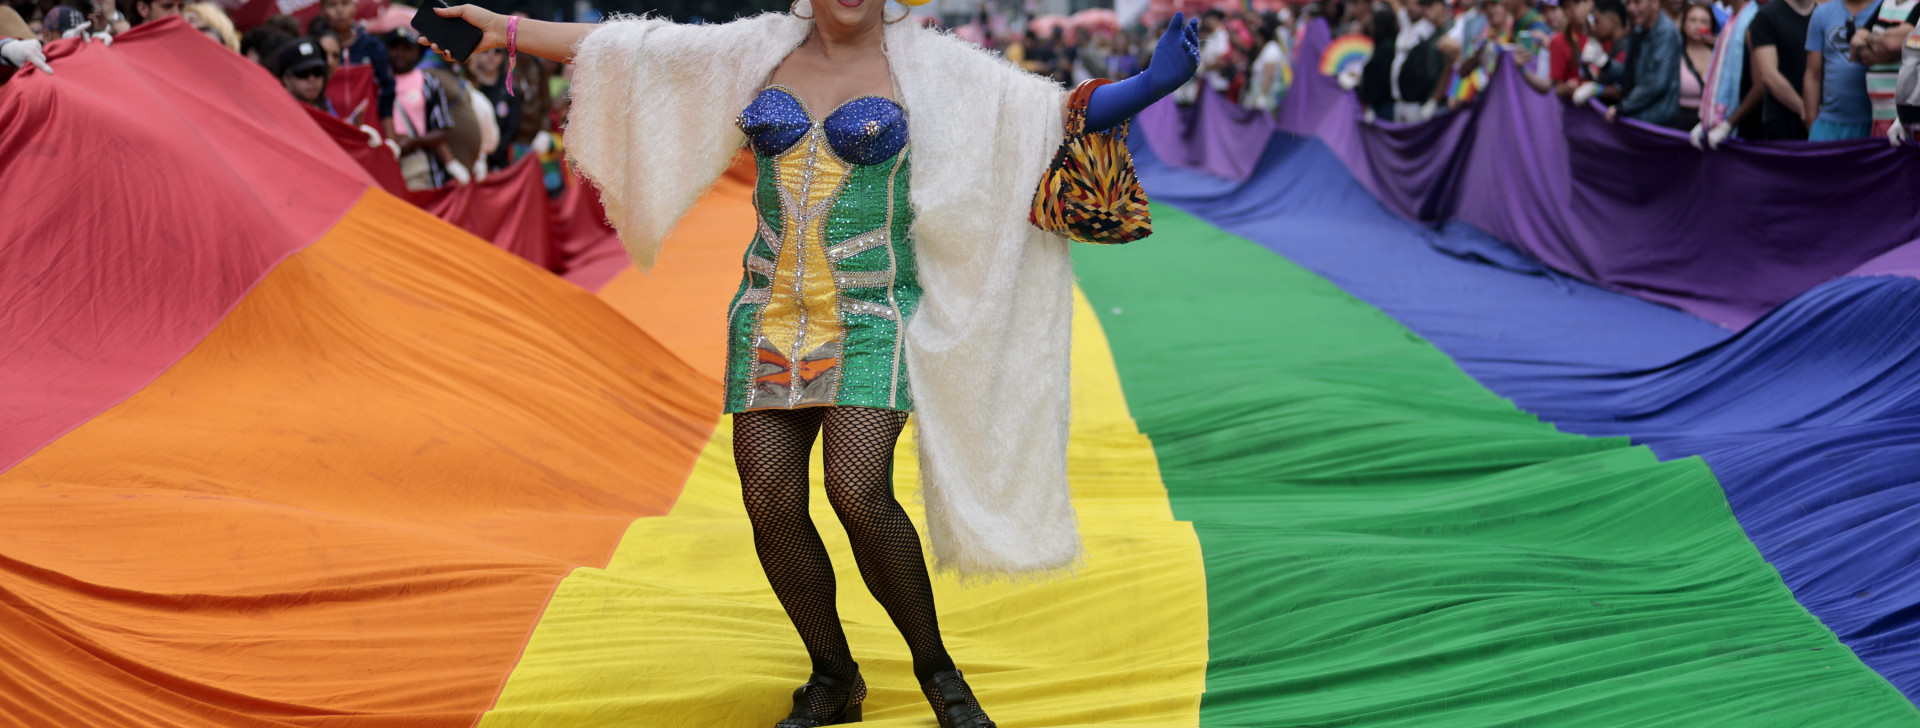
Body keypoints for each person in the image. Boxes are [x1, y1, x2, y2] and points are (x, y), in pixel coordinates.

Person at [417, 2, 1198, 726]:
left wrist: (1149, 85)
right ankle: (834, 676)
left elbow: (1039, 115)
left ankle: (940, 676)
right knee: (769, 499)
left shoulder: (931, 68)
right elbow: (629, 49)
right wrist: (500, 28)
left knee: (856, 489)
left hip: (873, 312)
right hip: (767, 313)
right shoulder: (757, 49)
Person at [387, 27, 465, 189]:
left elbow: (442, 130)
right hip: (384, 163)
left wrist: (413, 141)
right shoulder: (377, 81)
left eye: (405, 49)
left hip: (417, 163)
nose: (400, 54)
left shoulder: (428, 83)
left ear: (416, 52)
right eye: (395, 48)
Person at [1802, 0, 1879, 139]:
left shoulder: (1886, 9)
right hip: (1828, 125)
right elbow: (1812, 75)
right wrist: (1812, 124)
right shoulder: (1822, 13)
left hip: (1875, 125)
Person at [319, 0, 394, 142]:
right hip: (329, 133)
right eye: (332, 5)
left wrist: (391, 141)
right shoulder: (315, 47)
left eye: (345, 3)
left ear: (354, 7)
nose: (339, 10)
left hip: (370, 133)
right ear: (322, 11)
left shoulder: (373, 46)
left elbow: (387, 94)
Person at [1692, 0, 1763, 146]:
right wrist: (1707, 120)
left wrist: (1728, 125)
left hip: (1747, 132)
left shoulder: (1753, 21)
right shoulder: (1732, 20)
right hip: (1727, 125)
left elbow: (1761, 86)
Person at [1602, 0, 1682, 124]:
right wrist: (1605, 64)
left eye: (1637, 2)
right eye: (1628, 3)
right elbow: (1630, 74)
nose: (1631, 8)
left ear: (1655, 3)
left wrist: (1623, 107)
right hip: (1637, 116)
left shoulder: (1666, 33)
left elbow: (1656, 83)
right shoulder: (1638, 31)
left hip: (1656, 122)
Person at [1748, 0, 1814, 138]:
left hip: (1821, 118)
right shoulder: (1766, 16)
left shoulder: (1822, 15)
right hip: (1782, 121)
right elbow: (1769, 75)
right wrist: (1805, 110)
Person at [1854, 0, 1918, 135]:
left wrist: (1870, 40)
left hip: (1905, 118)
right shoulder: (1885, 3)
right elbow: (1854, 44)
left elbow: (1890, 44)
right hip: (1878, 116)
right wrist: (1886, 51)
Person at [464, 46, 519, 173]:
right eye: (485, 51)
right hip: (471, 159)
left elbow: (512, 126)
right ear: (476, 55)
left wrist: (492, 153)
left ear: (503, 56)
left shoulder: (510, 89)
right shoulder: (467, 87)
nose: (491, 55)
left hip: (500, 162)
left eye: (497, 52)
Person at [1396, 0, 1452, 118]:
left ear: (1442, 6)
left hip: (1442, 104)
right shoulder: (1432, 31)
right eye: (1423, 6)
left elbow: (1449, 68)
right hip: (1424, 100)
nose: (1426, 10)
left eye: (1430, 5)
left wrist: (1434, 100)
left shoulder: (1451, 30)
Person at [1676, 2, 1717, 128]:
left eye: (1704, 21)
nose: (1698, 25)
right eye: (1692, 20)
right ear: (1683, 24)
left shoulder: (1718, 55)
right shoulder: (1675, 54)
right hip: (1679, 121)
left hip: (1711, 122)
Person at [1550, 0, 1596, 97]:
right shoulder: (1559, 41)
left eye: (1577, 2)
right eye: (1567, 6)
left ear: (1589, 3)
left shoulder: (1599, 33)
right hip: (1574, 107)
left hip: (1602, 105)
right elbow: (1557, 89)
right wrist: (1567, 87)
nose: (1573, 10)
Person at [276, 36, 333, 113]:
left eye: (317, 72)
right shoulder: (279, 112)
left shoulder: (326, 108)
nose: (311, 79)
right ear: (285, 79)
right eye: (302, 74)